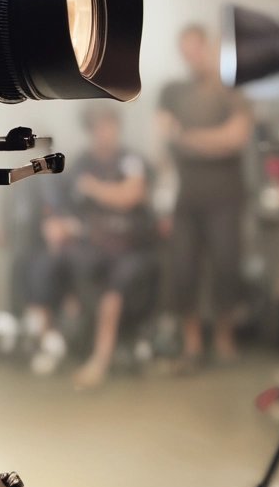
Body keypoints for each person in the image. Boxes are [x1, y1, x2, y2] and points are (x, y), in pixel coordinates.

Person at [25, 106, 156, 389]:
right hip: (91, 245)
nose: (104, 133)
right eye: (98, 127)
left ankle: (100, 359)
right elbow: (68, 209)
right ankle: (52, 343)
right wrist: (59, 226)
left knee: (114, 284)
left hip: (129, 246)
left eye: (108, 126)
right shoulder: (82, 163)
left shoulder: (131, 160)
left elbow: (130, 196)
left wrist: (95, 188)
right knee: (47, 265)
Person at [157, 23, 253, 368]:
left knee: (226, 268)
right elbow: (164, 137)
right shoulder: (172, 91)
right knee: (183, 272)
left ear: (209, 47)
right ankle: (192, 346)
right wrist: (202, 142)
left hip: (225, 198)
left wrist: (187, 139)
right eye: (186, 49)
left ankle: (224, 341)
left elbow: (235, 138)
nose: (192, 55)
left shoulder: (231, 90)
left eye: (197, 47)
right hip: (186, 199)